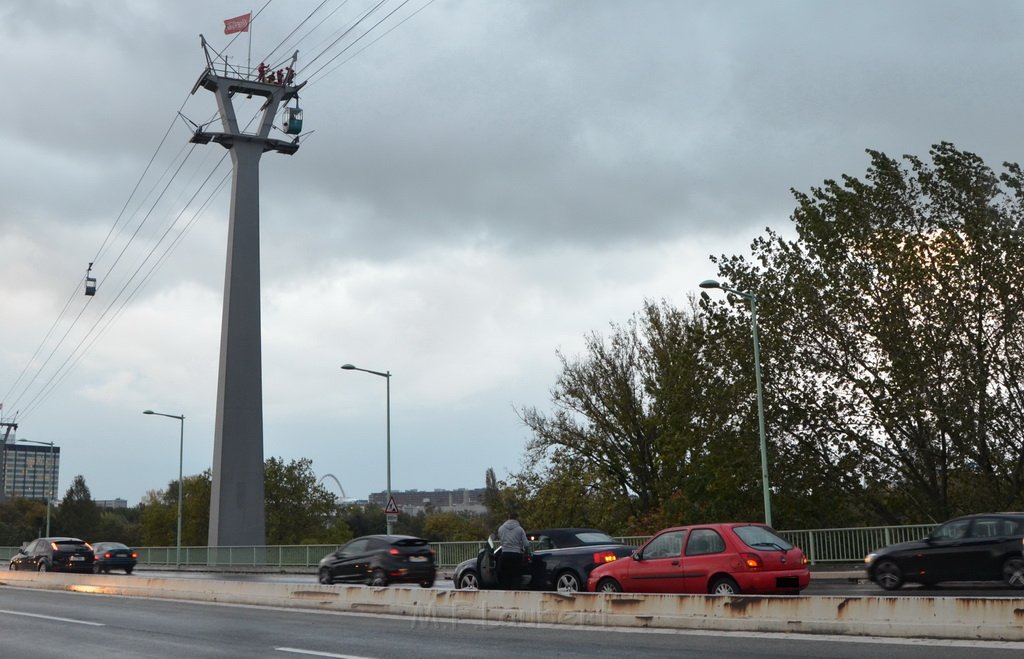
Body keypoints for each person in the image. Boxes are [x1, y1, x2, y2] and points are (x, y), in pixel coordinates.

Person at [496, 512, 530, 589]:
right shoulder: (520, 529)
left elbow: (501, 541)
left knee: (505, 577)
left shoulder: (501, 528)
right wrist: (526, 553)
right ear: (517, 518)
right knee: (516, 577)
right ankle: (515, 595)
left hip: (504, 555)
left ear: (509, 518)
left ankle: (505, 596)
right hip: (516, 555)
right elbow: (526, 544)